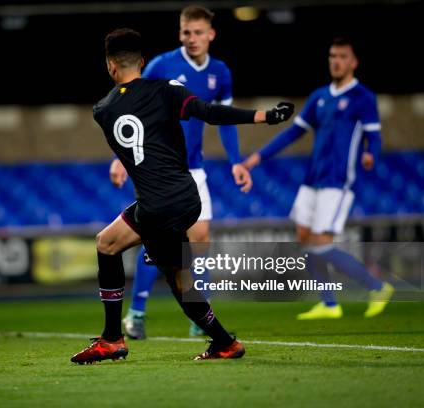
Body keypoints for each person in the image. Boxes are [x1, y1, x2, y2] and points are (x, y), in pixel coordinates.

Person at [70, 28, 293, 364]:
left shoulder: (102, 110)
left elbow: (138, 147)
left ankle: (114, 339)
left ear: (110, 66)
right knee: (125, 250)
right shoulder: (167, 90)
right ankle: (224, 343)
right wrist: (263, 116)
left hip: (157, 205)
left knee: (122, 252)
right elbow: (208, 112)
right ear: (143, 62)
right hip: (186, 197)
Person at [110, 5, 252, 339]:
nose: (192, 39)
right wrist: (121, 157)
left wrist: (236, 160)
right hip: (159, 166)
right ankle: (136, 314)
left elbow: (225, 119)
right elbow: (130, 110)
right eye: (186, 32)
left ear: (211, 35)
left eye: (198, 32)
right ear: (180, 33)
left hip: (195, 169)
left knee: (199, 241)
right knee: (157, 242)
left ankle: (198, 317)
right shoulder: (162, 65)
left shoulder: (221, 72)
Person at [242, 37, 394, 320]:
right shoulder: (319, 96)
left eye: (342, 56)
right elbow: (293, 132)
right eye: (332, 56)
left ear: (353, 62)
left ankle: (377, 286)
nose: (336, 61)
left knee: (321, 243)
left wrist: (371, 153)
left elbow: (374, 135)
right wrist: (257, 157)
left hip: (337, 182)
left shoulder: (363, 97)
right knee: (304, 238)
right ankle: (329, 303)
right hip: (312, 179)